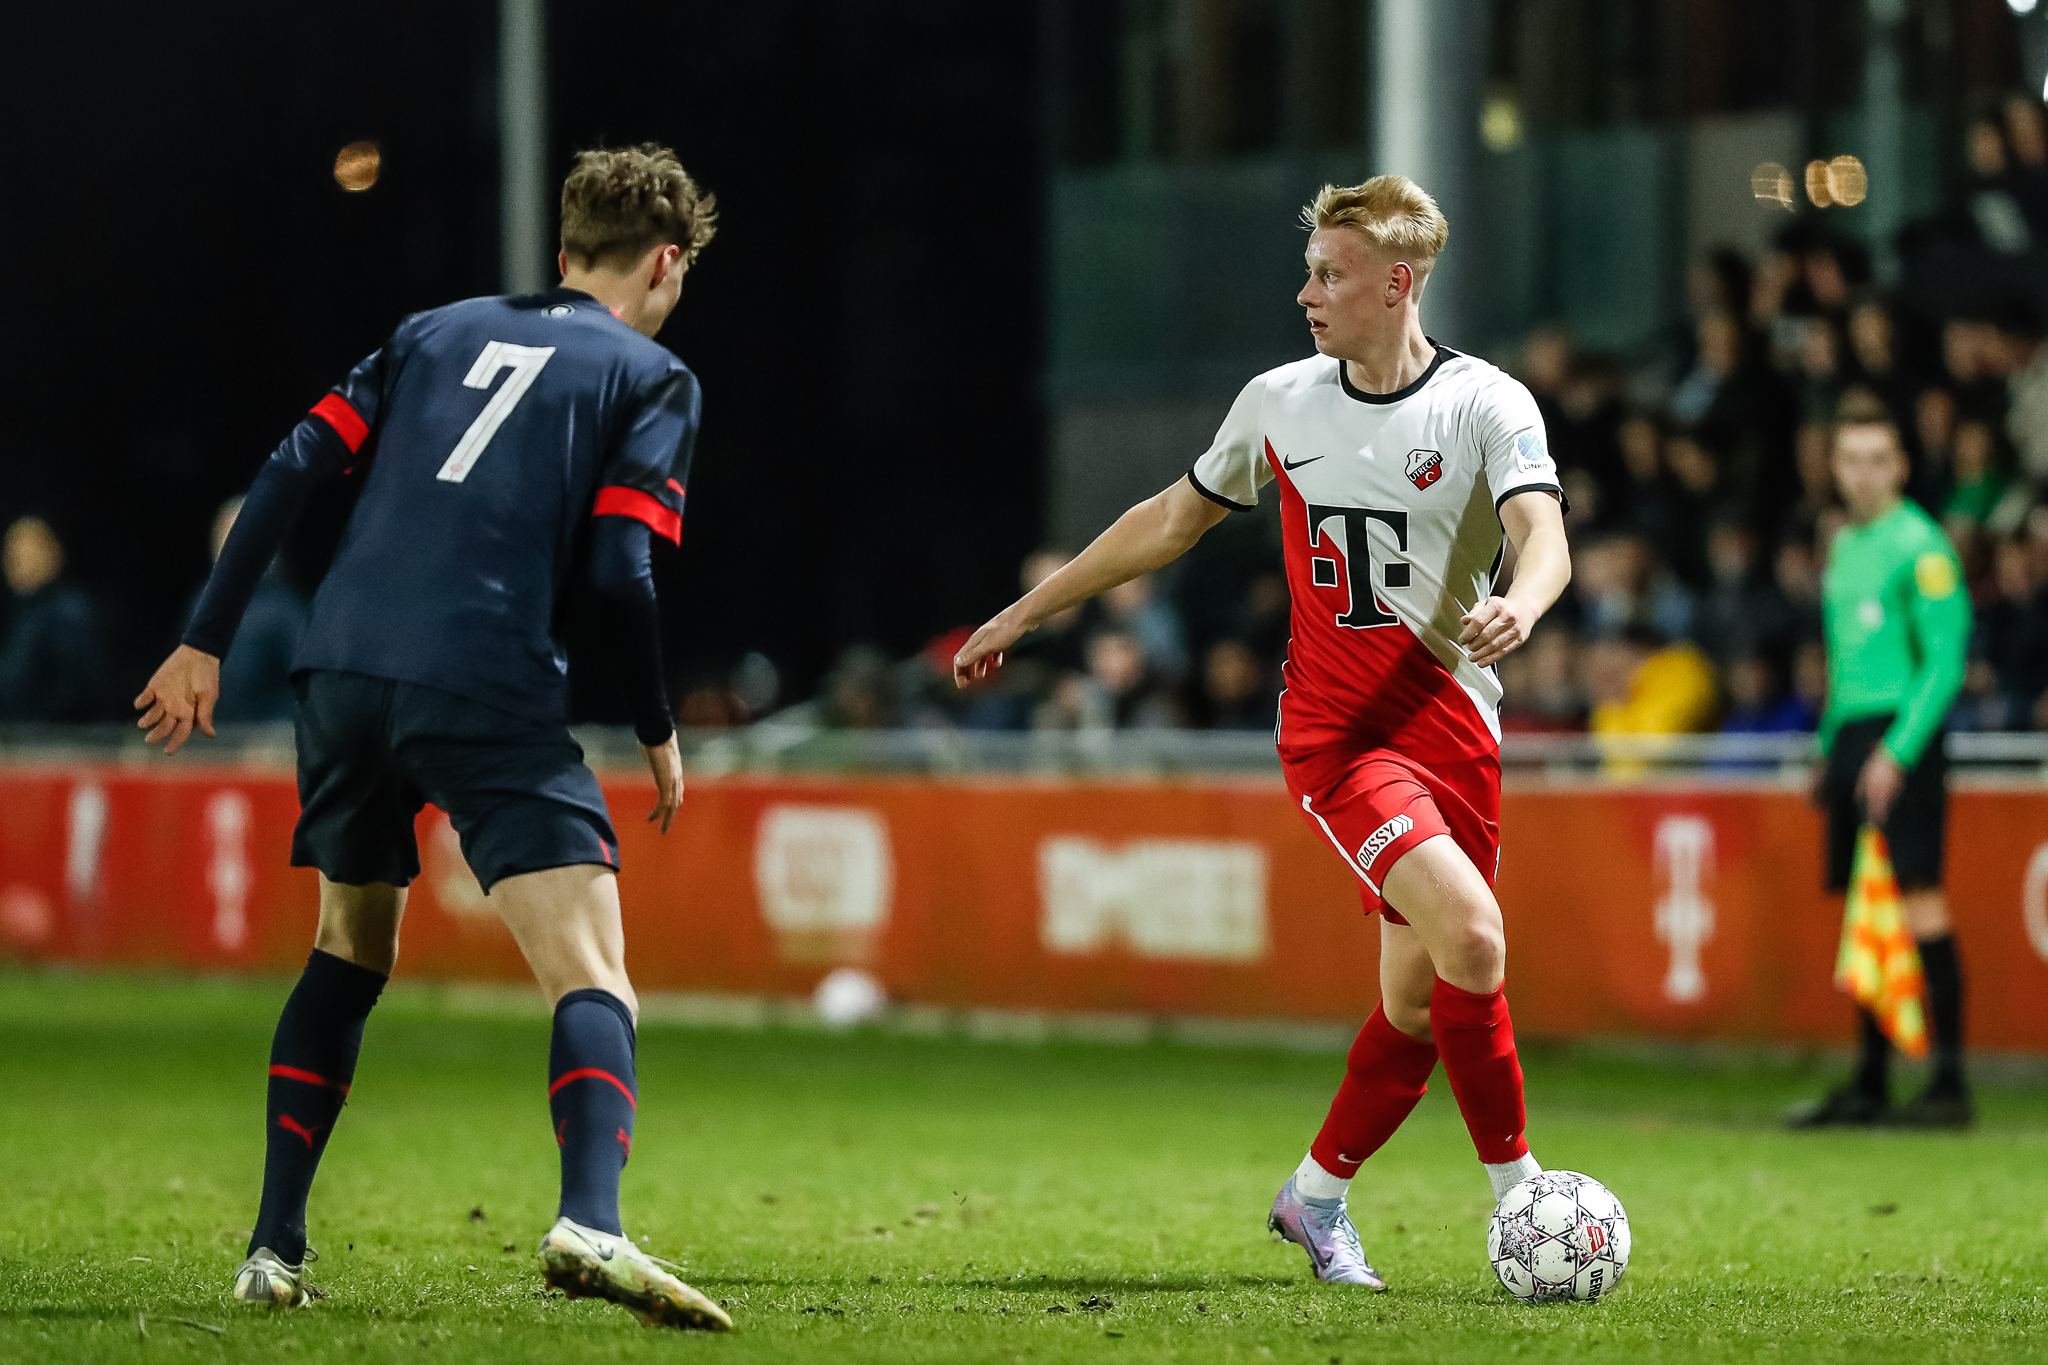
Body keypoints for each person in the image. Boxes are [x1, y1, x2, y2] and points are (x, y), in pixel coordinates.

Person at [131, 144, 731, 1330]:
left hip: (342, 663)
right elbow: (619, 570)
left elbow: (293, 465)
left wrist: (203, 638)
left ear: (562, 254)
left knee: (348, 948)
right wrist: (658, 728)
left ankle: (273, 1246)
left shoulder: (429, 331)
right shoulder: (652, 376)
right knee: (593, 972)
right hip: (483, 672)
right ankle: (590, 1222)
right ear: (665, 263)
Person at [954, 175, 1572, 1291]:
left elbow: (1544, 536)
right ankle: (1525, 1199)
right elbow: (1167, 521)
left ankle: (1314, 1197)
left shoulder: (1486, 404)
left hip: (1454, 735)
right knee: (1473, 941)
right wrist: (1024, 612)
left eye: (1327, 274)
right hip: (1340, 739)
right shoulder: (1279, 402)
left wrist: (1522, 603)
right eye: (1307, 272)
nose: (1304, 294)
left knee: (1416, 1004)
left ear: (1398, 283)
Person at [1790, 390, 1972, 1130]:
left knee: (1919, 899)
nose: (1862, 473)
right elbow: (1846, 663)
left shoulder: (1922, 547)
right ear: (1834, 466)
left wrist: (1895, 753)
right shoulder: (1845, 548)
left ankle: (1950, 1084)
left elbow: (1945, 662)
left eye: (1876, 459)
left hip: (1905, 738)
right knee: (1869, 909)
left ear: (1899, 465)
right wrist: (1831, 747)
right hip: (1857, 739)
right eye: (1850, 459)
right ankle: (1871, 1080)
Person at [200, 496, 307, 723]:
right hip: (209, 742)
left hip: (264, 740)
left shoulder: (282, 609)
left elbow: (308, 687)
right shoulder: (199, 604)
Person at [0, 515, 109, 722]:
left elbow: (75, 692)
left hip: (57, 744)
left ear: (55, 555)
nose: (22, 566)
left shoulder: (71, 612)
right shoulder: (22, 613)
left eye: (31, 555)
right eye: (14, 557)